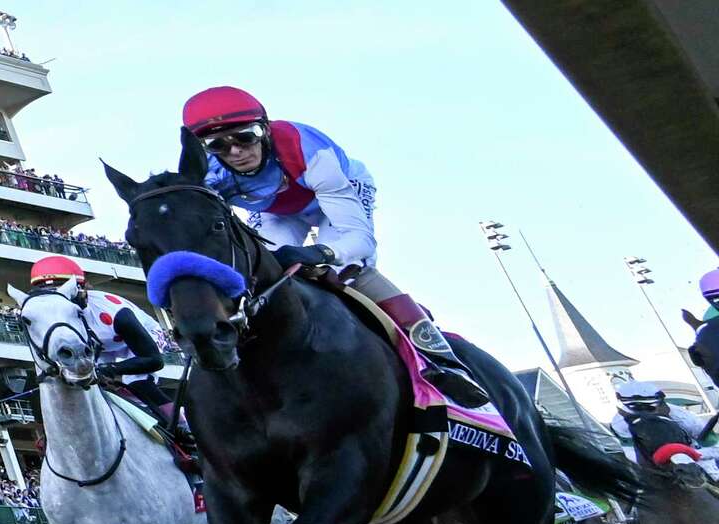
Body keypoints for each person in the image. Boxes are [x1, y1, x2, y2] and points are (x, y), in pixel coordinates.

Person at [182, 86, 489, 408]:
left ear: (266, 130)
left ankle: (444, 360)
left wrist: (322, 253)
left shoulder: (308, 149)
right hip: (277, 210)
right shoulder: (210, 174)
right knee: (268, 272)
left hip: (335, 193)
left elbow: (357, 240)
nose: (235, 152)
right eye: (217, 145)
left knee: (349, 269)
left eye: (246, 136)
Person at [28, 255, 183, 432]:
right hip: (100, 345)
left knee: (137, 382)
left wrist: (112, 369)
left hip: (138, 340)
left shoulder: (116, 313)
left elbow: (154, 360)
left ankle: (180, 425)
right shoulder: (57, 319)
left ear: (82, 288)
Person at [611, 380, 719, 476]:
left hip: (695, 455)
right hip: (655, 464)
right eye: (639, 409)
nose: (646, 413)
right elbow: (631, 453)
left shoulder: (683, 416)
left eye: (650, 408)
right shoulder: (620, 423)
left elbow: (714, 447)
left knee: (711, 472)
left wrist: (689, 455)